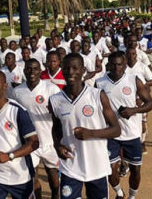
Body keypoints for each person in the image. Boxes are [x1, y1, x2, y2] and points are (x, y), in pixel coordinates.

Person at [49, 53, 121, 199]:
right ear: (62, 70)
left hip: (97, 167)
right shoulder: (54, 100)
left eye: (75, 68)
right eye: (67, 68)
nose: (70, 72)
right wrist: (57, 145)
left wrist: (91, 133)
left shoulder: (97, 95)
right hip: (71, 166)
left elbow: (116, 130)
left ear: (83, 70)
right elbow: (56, 127)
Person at [95, 52, 152, 199]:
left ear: (125, 65)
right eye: (113, 64)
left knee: (135, 170)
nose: (116, 68)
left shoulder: (134, 80)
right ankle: (120, 193)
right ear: (108, 65)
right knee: (110, 170)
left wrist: (133, 110)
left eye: (120, 64)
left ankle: (132, 196)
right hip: (110, 134)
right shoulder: (100, 83)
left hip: (132, 133)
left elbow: (150, 104)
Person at [0, 70, 39, 198]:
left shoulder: (18, 111)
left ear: (4, 87)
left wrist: (9, 156)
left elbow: (34, 143)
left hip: (21, 176)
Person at [13, 59, 61, 198]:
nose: (32, 72)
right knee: (32, 176)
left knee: (53, 175)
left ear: (40, 71)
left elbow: (60, 114)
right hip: (30, 143)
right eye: (29, 69)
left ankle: (55, 196)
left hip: (49, 141)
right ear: (24, 71)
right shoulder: (17, 91)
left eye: (35, 69)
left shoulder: (51, 89)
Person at [125, 47, 152, 154]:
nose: (131, 56)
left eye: (133, 54)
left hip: (140, 99)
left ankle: (142, 142)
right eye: (129, 54)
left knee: (142, 122)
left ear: (136, 55)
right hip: (127, 99)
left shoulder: (142, 67)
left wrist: (143, 86)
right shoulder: (122, 67)